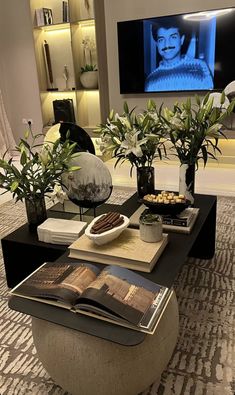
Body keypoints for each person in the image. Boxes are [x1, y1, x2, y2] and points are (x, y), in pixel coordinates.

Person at [145, 22, 213, 92]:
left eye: (173, 37)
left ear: (181, 40)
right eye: (161, 39)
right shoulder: (150, 80)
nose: (167, 44)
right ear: (157, 44)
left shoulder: (199, 67)